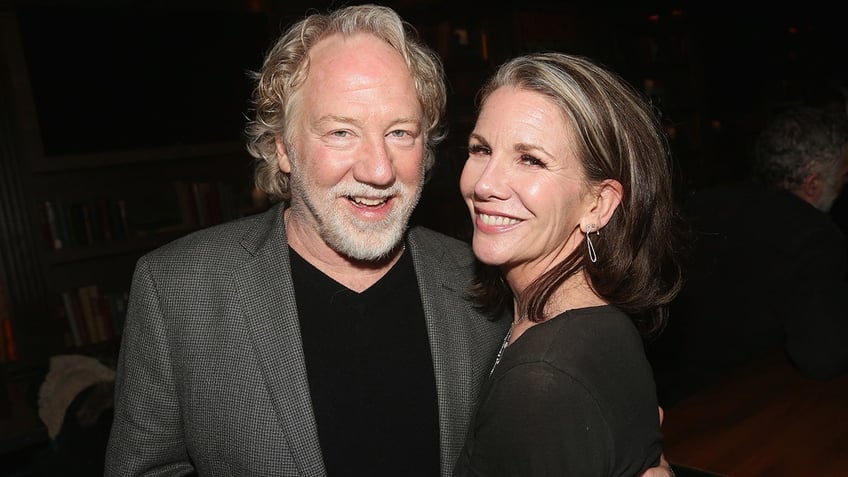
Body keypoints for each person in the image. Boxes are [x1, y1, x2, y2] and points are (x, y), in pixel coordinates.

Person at [105, 4, 674, 476]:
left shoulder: (483, 283)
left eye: (400, 133)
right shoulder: (179, 291)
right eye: (342, 132)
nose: (379, 169)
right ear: (281, 146)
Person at [452, 52, 685, 476]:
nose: (484, 184)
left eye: (531, 159)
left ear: (599, 204)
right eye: (481, 149)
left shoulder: (543, 381)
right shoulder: (596, 321)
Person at [649, 104, 848, 408]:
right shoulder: (812, 233)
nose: (844, 185)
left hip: (662, 402)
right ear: (813, 184)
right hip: (740, 415)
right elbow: (823, 357)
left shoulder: (700, 204)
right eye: (844, 176)